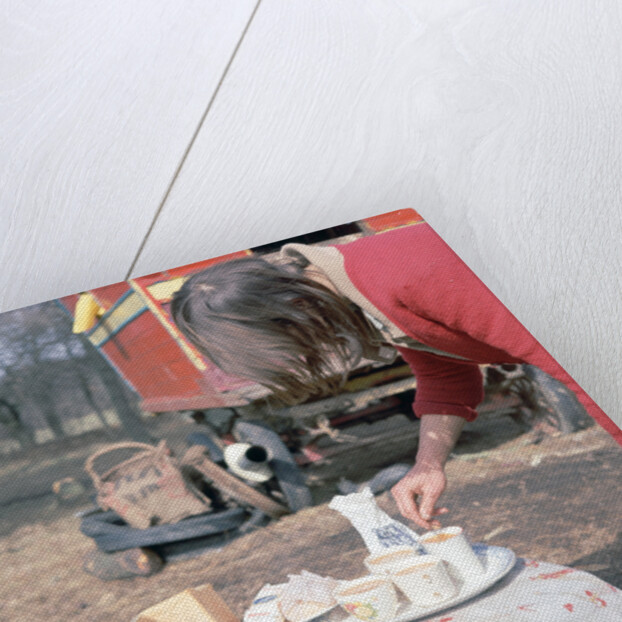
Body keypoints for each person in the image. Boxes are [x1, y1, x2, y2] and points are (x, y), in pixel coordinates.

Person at [171, 223, 621, 530]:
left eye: (295, 346)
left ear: (296, 311)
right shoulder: (354, 292)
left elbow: (582, 357)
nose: (310, 355)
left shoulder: (403, 278)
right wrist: (428, 464)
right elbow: (445, 373)